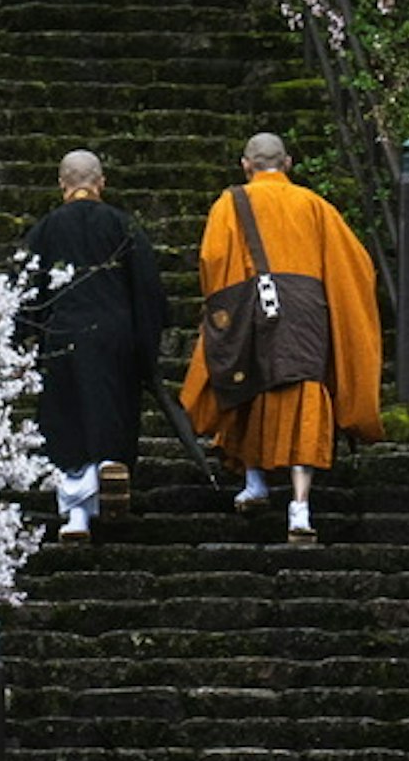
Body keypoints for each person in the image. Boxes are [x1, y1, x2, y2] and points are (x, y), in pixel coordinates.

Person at [181, 129, 383, 545]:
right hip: (306, 308)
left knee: (248, 384)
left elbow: (212, 259)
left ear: (245, 165)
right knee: (304, 392)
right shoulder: (314, 205)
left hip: (250, 304)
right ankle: (300, 507)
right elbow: (357, 263)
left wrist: (224, 308)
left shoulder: (229, 203)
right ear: (288, 164)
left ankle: (254, 482)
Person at [19, 147, 164, 546]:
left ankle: (76, 514)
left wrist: (21, 341)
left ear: (62, 184)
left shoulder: (44, 230)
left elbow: (25, 290)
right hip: (115, 334)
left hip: (63, 334)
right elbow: (148, 290)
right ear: (100, 182)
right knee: (111, 409)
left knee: (67, 420)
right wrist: (146, 346)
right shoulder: (123, 226)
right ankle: (111, 464)